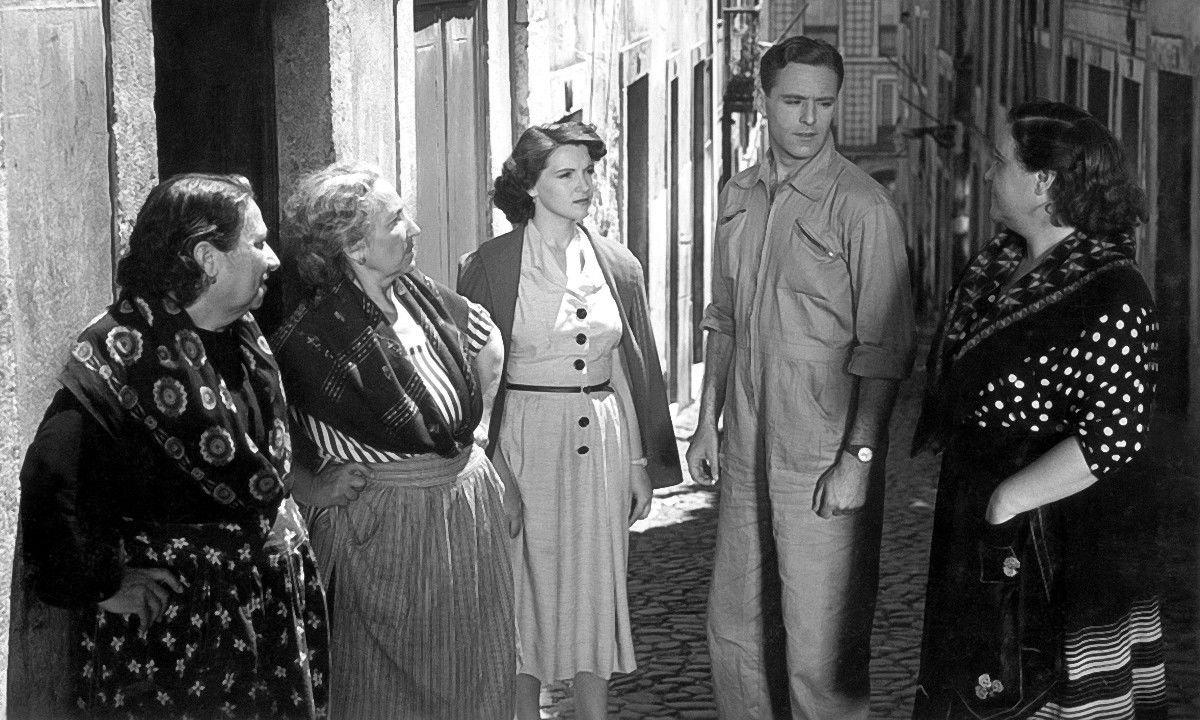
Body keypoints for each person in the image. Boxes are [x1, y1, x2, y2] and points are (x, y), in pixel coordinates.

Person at [18, 173, 328, 718]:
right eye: (258, 243)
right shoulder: (124, 350)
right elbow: (51, 477)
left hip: (267, 619)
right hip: (178, 638)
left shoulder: (244, 339)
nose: (274, 259)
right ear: (207, 258)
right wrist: (103, 584)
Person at [910, 100, 1166, 719]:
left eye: (1001, 161)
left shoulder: (1112, 291)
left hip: (1055, 541)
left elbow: (1115, 437)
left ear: (1044, 182)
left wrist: (1008, 500)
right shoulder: (999, 263)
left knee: (1034, 691)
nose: (987, 171)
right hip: (981, 522)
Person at [685, 36, 916, 720]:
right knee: (736, 632)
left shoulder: (864, 208)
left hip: (821, 456)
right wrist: (706, 422)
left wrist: (858, 459)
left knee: (820, 650)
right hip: (746, 446)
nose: (810, 119)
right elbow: (724, 317)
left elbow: (885, 351)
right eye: (793, 102)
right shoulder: (738, 193)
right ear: (763, 101)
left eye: (823, 103)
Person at [273, 161, 514, 720]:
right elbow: (266, 433)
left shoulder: (423, 298)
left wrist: (475, 440)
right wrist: (309, 484)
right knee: (387, 693)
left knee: (478, 677)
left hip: (465, 519)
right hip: (384, 534)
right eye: (397, 220)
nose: (415, 229)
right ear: (355, 247)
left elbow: (488, 341)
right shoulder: (310, 339)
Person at [458, 121, 682, 720]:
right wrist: (496, 472)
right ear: (530, 186)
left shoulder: (618, 265)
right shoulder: (489, 265)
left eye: (588, 172)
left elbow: (625, 369)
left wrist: (637, 463)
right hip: (524, 441)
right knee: (522, 592)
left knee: (596, 587)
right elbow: (474, 385)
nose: (584, 185)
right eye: (566, 174)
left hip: (603, 442)